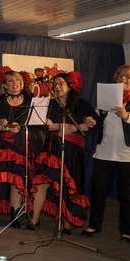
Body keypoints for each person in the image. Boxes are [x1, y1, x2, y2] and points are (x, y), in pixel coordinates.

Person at [83, 64, 130, 243]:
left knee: (126, 193)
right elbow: (96, 118)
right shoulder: (106, 98)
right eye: (120, 75)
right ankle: (94, 225)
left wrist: (128, 117)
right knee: (98, 190)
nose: (123, 79)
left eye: (128, 76)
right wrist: (90, 120)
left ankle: (126, 231)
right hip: (105, 152)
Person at [0, 67, 49, 228]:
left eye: (17, 80)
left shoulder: (30, 100)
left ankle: (15, 214)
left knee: (17, 180)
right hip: (2, 146)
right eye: (11, 80)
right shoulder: (0, 101)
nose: (14, 83)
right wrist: (3, 126)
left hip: (21, 146)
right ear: (4, 85)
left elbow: (36, 125)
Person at [30, 72, 97, 232]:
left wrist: (79, 126)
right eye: (55, 83)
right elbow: (44, 125)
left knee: (68, 186)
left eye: (61, 83)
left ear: (70, 85)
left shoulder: (82, 104)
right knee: (41, 182)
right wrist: (60, 126)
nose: (57, 86)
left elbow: (90, 124)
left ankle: (68, 221)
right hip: (52, 147)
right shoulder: (49, 104)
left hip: (72, 150)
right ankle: (34, 218)